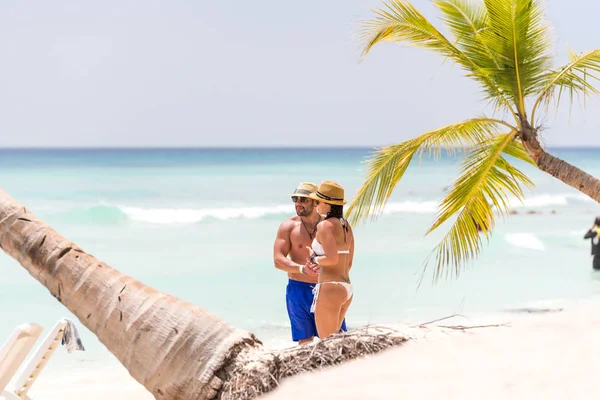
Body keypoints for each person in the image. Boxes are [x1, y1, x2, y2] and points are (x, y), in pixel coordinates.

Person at [273, 182, 347, 344]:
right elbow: (278, 260)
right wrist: (302, 269)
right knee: (305, 342)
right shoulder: (288, 227)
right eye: (295, 199)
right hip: (298, 291)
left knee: (336, 338)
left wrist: (328, 267)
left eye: (303, 199)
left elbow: (344, 255)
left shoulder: (331, 225)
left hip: (327, 287)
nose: (298, 203)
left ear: (316, 202)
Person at [306, 181, 354, 339]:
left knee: (326, 344)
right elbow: (348, 263)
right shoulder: (346, 225)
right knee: (337, 342)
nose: (316, 205)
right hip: (346, 287)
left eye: (318, 201)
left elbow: (332, 259)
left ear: (328, 204)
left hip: (329, 288)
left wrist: (314, 259)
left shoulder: (324, 225)